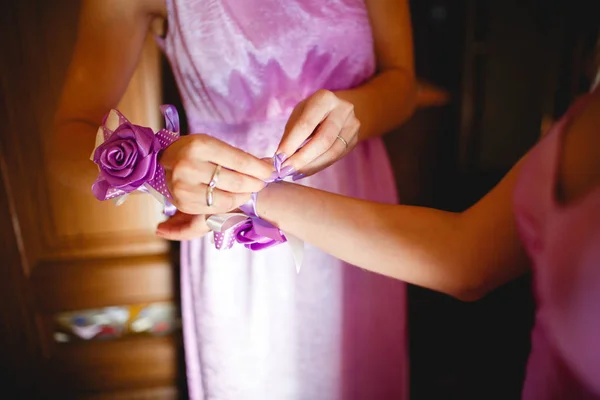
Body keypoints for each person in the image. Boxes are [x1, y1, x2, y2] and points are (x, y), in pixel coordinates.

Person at [53, 0, 417, 399]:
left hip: (360, 217)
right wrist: (157, 169)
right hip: (237, 231)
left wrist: (355, 112)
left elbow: (401, 83)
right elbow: (67, 142)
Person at [162, 82, 600, 398]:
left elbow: (400, 86)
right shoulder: (587, 128)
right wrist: (247, 195)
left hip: (352, 202)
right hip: (250, 238)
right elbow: (466, 256)